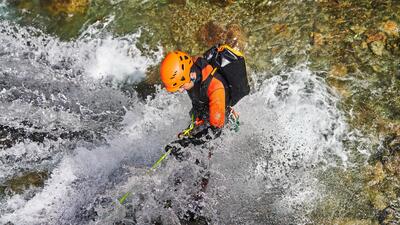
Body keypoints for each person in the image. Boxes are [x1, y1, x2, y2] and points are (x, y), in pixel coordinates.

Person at [159, 45, 248, 160]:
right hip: (206, 111)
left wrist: (187, 143)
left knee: (204, 161)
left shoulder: (215, 87)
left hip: (223, 124)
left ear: (190, 75)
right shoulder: (193, 68)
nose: (180, 91)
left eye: (181, 86)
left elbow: (215, 131)